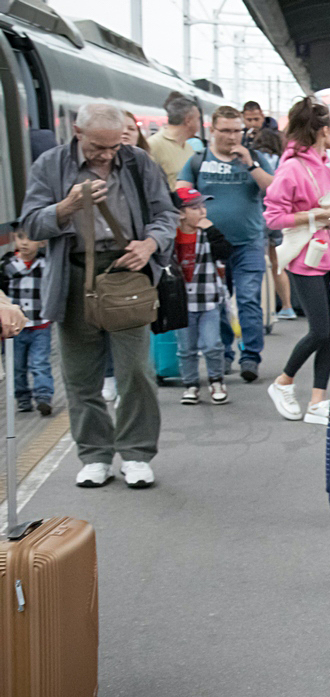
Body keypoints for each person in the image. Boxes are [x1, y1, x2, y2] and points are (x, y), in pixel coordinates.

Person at [20, 103, 178, 488]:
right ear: (77, 132)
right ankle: (94, 454)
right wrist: (66, 206)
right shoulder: (50, 165)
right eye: (97, 147)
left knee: (136, 372)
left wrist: (150, 244)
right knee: (80, 376)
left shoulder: (138, 162)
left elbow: (167, 214)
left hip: (128, 274)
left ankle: (137, 453)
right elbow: (30, 223)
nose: (107, 155)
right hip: (75, 275)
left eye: (113, 146)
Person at [177, 105, 275, 383]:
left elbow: (273, 189)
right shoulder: (198, 160)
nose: (232, 137)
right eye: (226, 131)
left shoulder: (254, 157)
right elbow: (180, 191)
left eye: (237, 131)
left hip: (250, 243)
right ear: (213, 130)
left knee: (248, 300)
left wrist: (251, 165)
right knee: (217, 304)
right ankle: (223, 355)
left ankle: (250, 357)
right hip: (210, 247)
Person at [264, 98, 330, 424]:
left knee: (329, 331)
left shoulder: (321, 164)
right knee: (320, 330)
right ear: (324, 130)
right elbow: (273, 217)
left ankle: (317, 401)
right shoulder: (292, 168)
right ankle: (283, 382)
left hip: (326, 255)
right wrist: (315, 215)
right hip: (304, 259)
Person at [170, 187, 233, 404]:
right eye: (195, 208)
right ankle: (191, 385)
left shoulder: (208, 233)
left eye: (203, 206)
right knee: (186, 348)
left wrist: (212, 229)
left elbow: (226, 251)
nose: (202, 211)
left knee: (212, 344)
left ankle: (216, 380)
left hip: (208, 299)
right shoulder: (171, 235)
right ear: (180, 213)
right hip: (181, 302)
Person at [0, 229, 54, 415]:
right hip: (16, 328)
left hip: (41, 324)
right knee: (17, 365)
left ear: (42, 242)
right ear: (14, 238)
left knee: (40, 362)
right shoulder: (7, 265)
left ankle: (43, 397)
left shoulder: (46, 264)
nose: (25, 243)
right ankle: (22, 398)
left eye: (31, 238)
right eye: (20, 237)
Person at [251, 128, 295, 320]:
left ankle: (265, 307)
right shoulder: (281, 161)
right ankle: (286, 306)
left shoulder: (256, 161)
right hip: (278, 215)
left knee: (259, 263)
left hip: (258, 215)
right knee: (278, 263)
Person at [147, 97, 201, 189]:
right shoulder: (153, 145)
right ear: (188, 121)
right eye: (198, 119)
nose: (199, 123)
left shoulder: (188, 147)